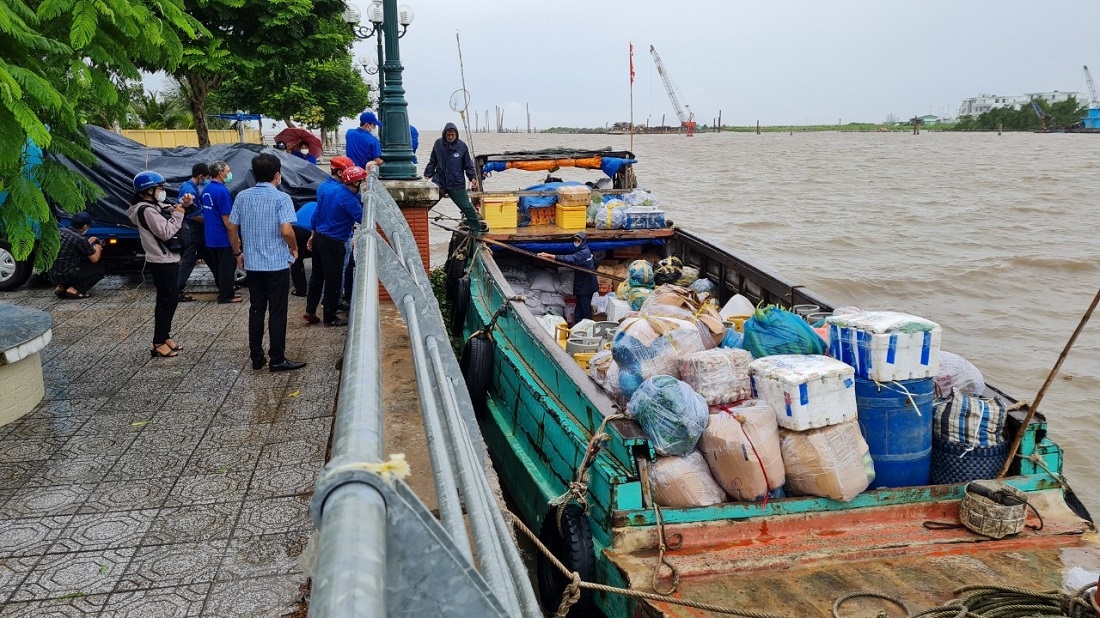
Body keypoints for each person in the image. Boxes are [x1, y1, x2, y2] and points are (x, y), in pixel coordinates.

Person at [227, 153, 307, 372]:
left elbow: (232, 227)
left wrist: (237, 252)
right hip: (276, 264)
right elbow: (286, 230)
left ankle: (256, 356)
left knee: (256, 308)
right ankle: (277, 358)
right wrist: (293, 247)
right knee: (277, 311)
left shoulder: (242, 196)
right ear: (277, 175)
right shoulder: (281, 199)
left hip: (252, 264)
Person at [127, 171, 190, 358]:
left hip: (169, 259)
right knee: (166, 301)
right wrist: (178, 215)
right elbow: (166, 232)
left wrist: (183, 205)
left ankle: (165, 336)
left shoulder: (154, 206)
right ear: (148, 191)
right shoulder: (145, 210)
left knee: (171, 299)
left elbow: (170, 208)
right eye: (160, 188)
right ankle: (158, 342)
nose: (163, 191)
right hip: (161, 261)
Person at [303, 166, 366, 327]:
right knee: (334, 280)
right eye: (363, 181)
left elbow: (316, 215)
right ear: (356, 182)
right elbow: (362, 218)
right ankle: (329, 317)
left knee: (317, 276)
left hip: (319, 237)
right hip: (334, 242)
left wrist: (313, 234)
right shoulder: (349, 200)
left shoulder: (330, 190)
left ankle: (310, 310)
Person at [291, 155, 354, 296]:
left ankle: (301, 291)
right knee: (337, 269)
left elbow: (316, 216)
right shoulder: (342, 192)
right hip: (322, 234)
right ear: (340, 172)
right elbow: (342, 218)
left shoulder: (322, 188)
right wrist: (350, 236)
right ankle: (340, 298)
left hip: (297, 229)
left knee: (299, 260)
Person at [424, 122, 482, 233]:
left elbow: (468, 165)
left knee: (467, 207)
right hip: (439, 182)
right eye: (448, 135)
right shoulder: (438, 144)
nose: (450, 137)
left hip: (456, 183)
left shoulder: (462, 146)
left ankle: (476, 230)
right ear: (445, 134)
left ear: (456, 135)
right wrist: (427, 176)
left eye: (452, 135)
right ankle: (414, 224)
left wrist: (473, 178)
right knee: (425, 205)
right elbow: (432, 162)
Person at [200, 160, 241, 303]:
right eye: (228, 171)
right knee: (227, 268)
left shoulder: (206, 190)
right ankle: (226, 296)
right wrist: (235, 238)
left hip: (210, 236)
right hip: (222, 237)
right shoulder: (222, 192)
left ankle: (224, 291)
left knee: (218, 268)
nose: (229, 174)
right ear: (220, 173)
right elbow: (228, 220)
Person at [538, 232, 598, 323]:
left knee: (584, 310)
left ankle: (587, 328)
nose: (576, 242)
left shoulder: (584, 252)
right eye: (575, 240)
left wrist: (552, 256)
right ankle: (577, 326)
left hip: (586, 287)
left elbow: (570, 259)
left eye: (578, 241)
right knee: (579, 308)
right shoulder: (581, 251)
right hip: (582, 285)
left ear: (583, 242)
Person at [176, 162, 210, 302]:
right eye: (206, 177)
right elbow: (191, 214)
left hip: (196, 229)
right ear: (201, 176)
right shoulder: (188, 189)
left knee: (210, 257)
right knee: (189, 260)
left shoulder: (192, 187)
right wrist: (209, 221)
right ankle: (176, 290)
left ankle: (225, 284)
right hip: (192, 230)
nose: (206, 180)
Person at [51, 211, 104, 299]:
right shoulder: (80, 238)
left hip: (53, 275)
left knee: (66, 263)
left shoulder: (60, 231)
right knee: (99, 270)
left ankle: (61, 287)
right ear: (85, 226)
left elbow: (70, 247)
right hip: (66, 274)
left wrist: (87, 243)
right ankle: (74, 289)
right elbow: (94, 259)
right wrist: (98, 249)